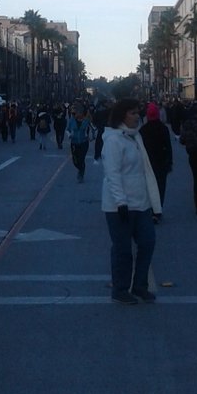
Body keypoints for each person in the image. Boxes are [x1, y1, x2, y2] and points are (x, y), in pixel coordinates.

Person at [101, 98, 162, 304]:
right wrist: (120, 202)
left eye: (138, 112)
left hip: (141, 203)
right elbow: (113, 174)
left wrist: (153, 203)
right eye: (133, 113)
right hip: (120, 206)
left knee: (148, 243)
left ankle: (139, 285)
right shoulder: (113, 141)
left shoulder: (136, 137)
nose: (138, 116)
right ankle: (120, 289)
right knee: (123, 250)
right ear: (122, 116)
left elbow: (144, 172)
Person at [140, 101, 173, 210]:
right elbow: (168, 146)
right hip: (161, 162)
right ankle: (158, 208)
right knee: (160, 186)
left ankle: (149, 206)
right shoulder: (163, 128)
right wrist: (170, 162)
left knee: (148, 186)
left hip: (147, 162)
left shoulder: (143, 130)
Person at [67, 102, 94, 182]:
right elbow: (68, 129)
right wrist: (69, 135)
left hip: (84, 142)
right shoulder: (72, 120)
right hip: (74, 142)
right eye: (76, 111)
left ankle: (81, 174)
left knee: (81, 159)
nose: (77, 113)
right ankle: (80, 169)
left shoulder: (86, 121)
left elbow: (94, 129)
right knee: (75, 160)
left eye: (79, 111)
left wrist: (91, 137)